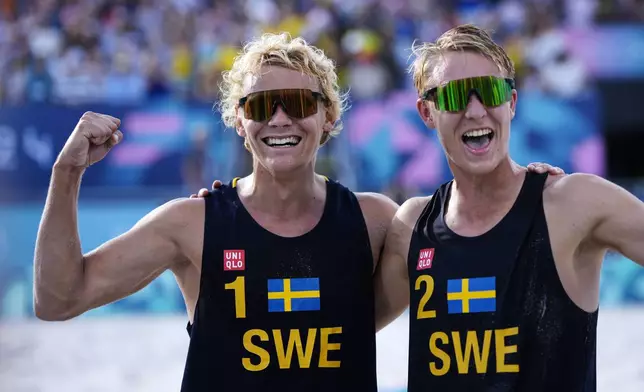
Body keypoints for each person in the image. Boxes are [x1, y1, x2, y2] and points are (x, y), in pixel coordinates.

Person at [34, 31, 562, 391]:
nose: (280, 119)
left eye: (300, 104)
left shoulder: (377, 222)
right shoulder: (191, 224)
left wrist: (523, 186)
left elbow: (476, 239)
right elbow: (59, 299)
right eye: (262, 106)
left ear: (328, 117)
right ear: (239, 122)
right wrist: (66, 173)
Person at [372, 24, 644, 391]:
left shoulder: (574, 203)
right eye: (454, 96)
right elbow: (336, 331)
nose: (475, 110)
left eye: (489, 91)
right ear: (427, 112)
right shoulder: (412, 226)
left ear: (511, 103)